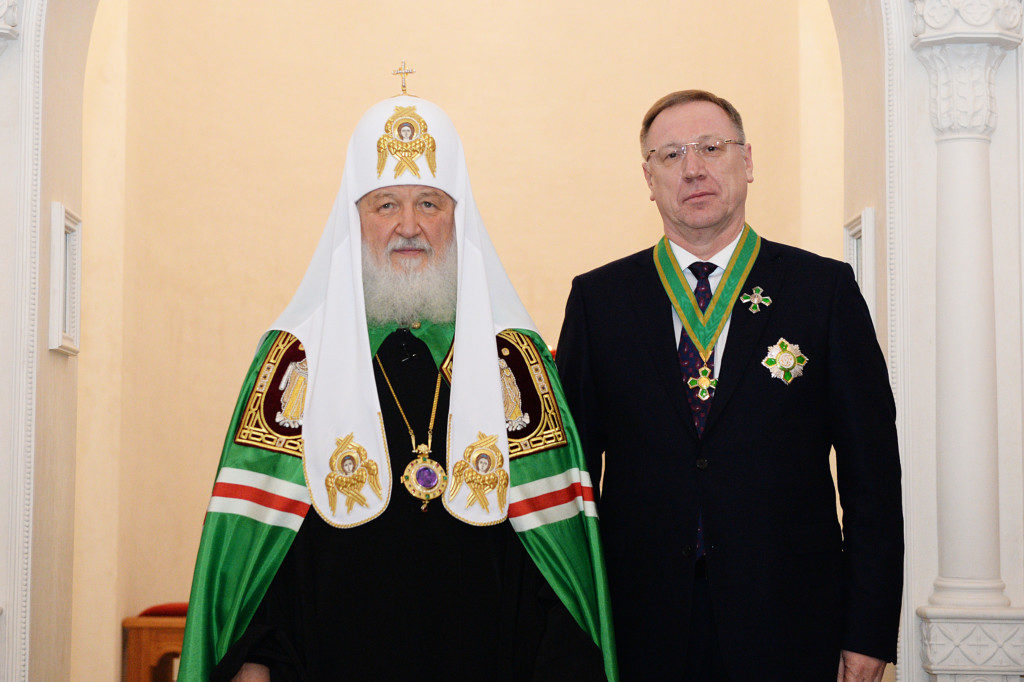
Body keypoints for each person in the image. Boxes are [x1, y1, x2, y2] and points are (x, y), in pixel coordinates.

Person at [179, 93, 617, 681]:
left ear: (457, 219)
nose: (408, 226)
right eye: (386, 204)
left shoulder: (513, 361)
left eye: (429, 203)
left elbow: (560, 569)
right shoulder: (295, 361)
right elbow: (255, 556)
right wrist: (255, 660)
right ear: (354, 219)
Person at [555, 89, 903, 681]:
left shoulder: (822, 292)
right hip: (641, 626)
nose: (693, 168)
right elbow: (573, 479)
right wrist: (573, 631)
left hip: (791, 622)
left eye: (711, 148)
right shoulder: (600, 301)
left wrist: (867, 630)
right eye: (670, 155)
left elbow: (872, 477)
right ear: (648, 179)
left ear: (747, 161)